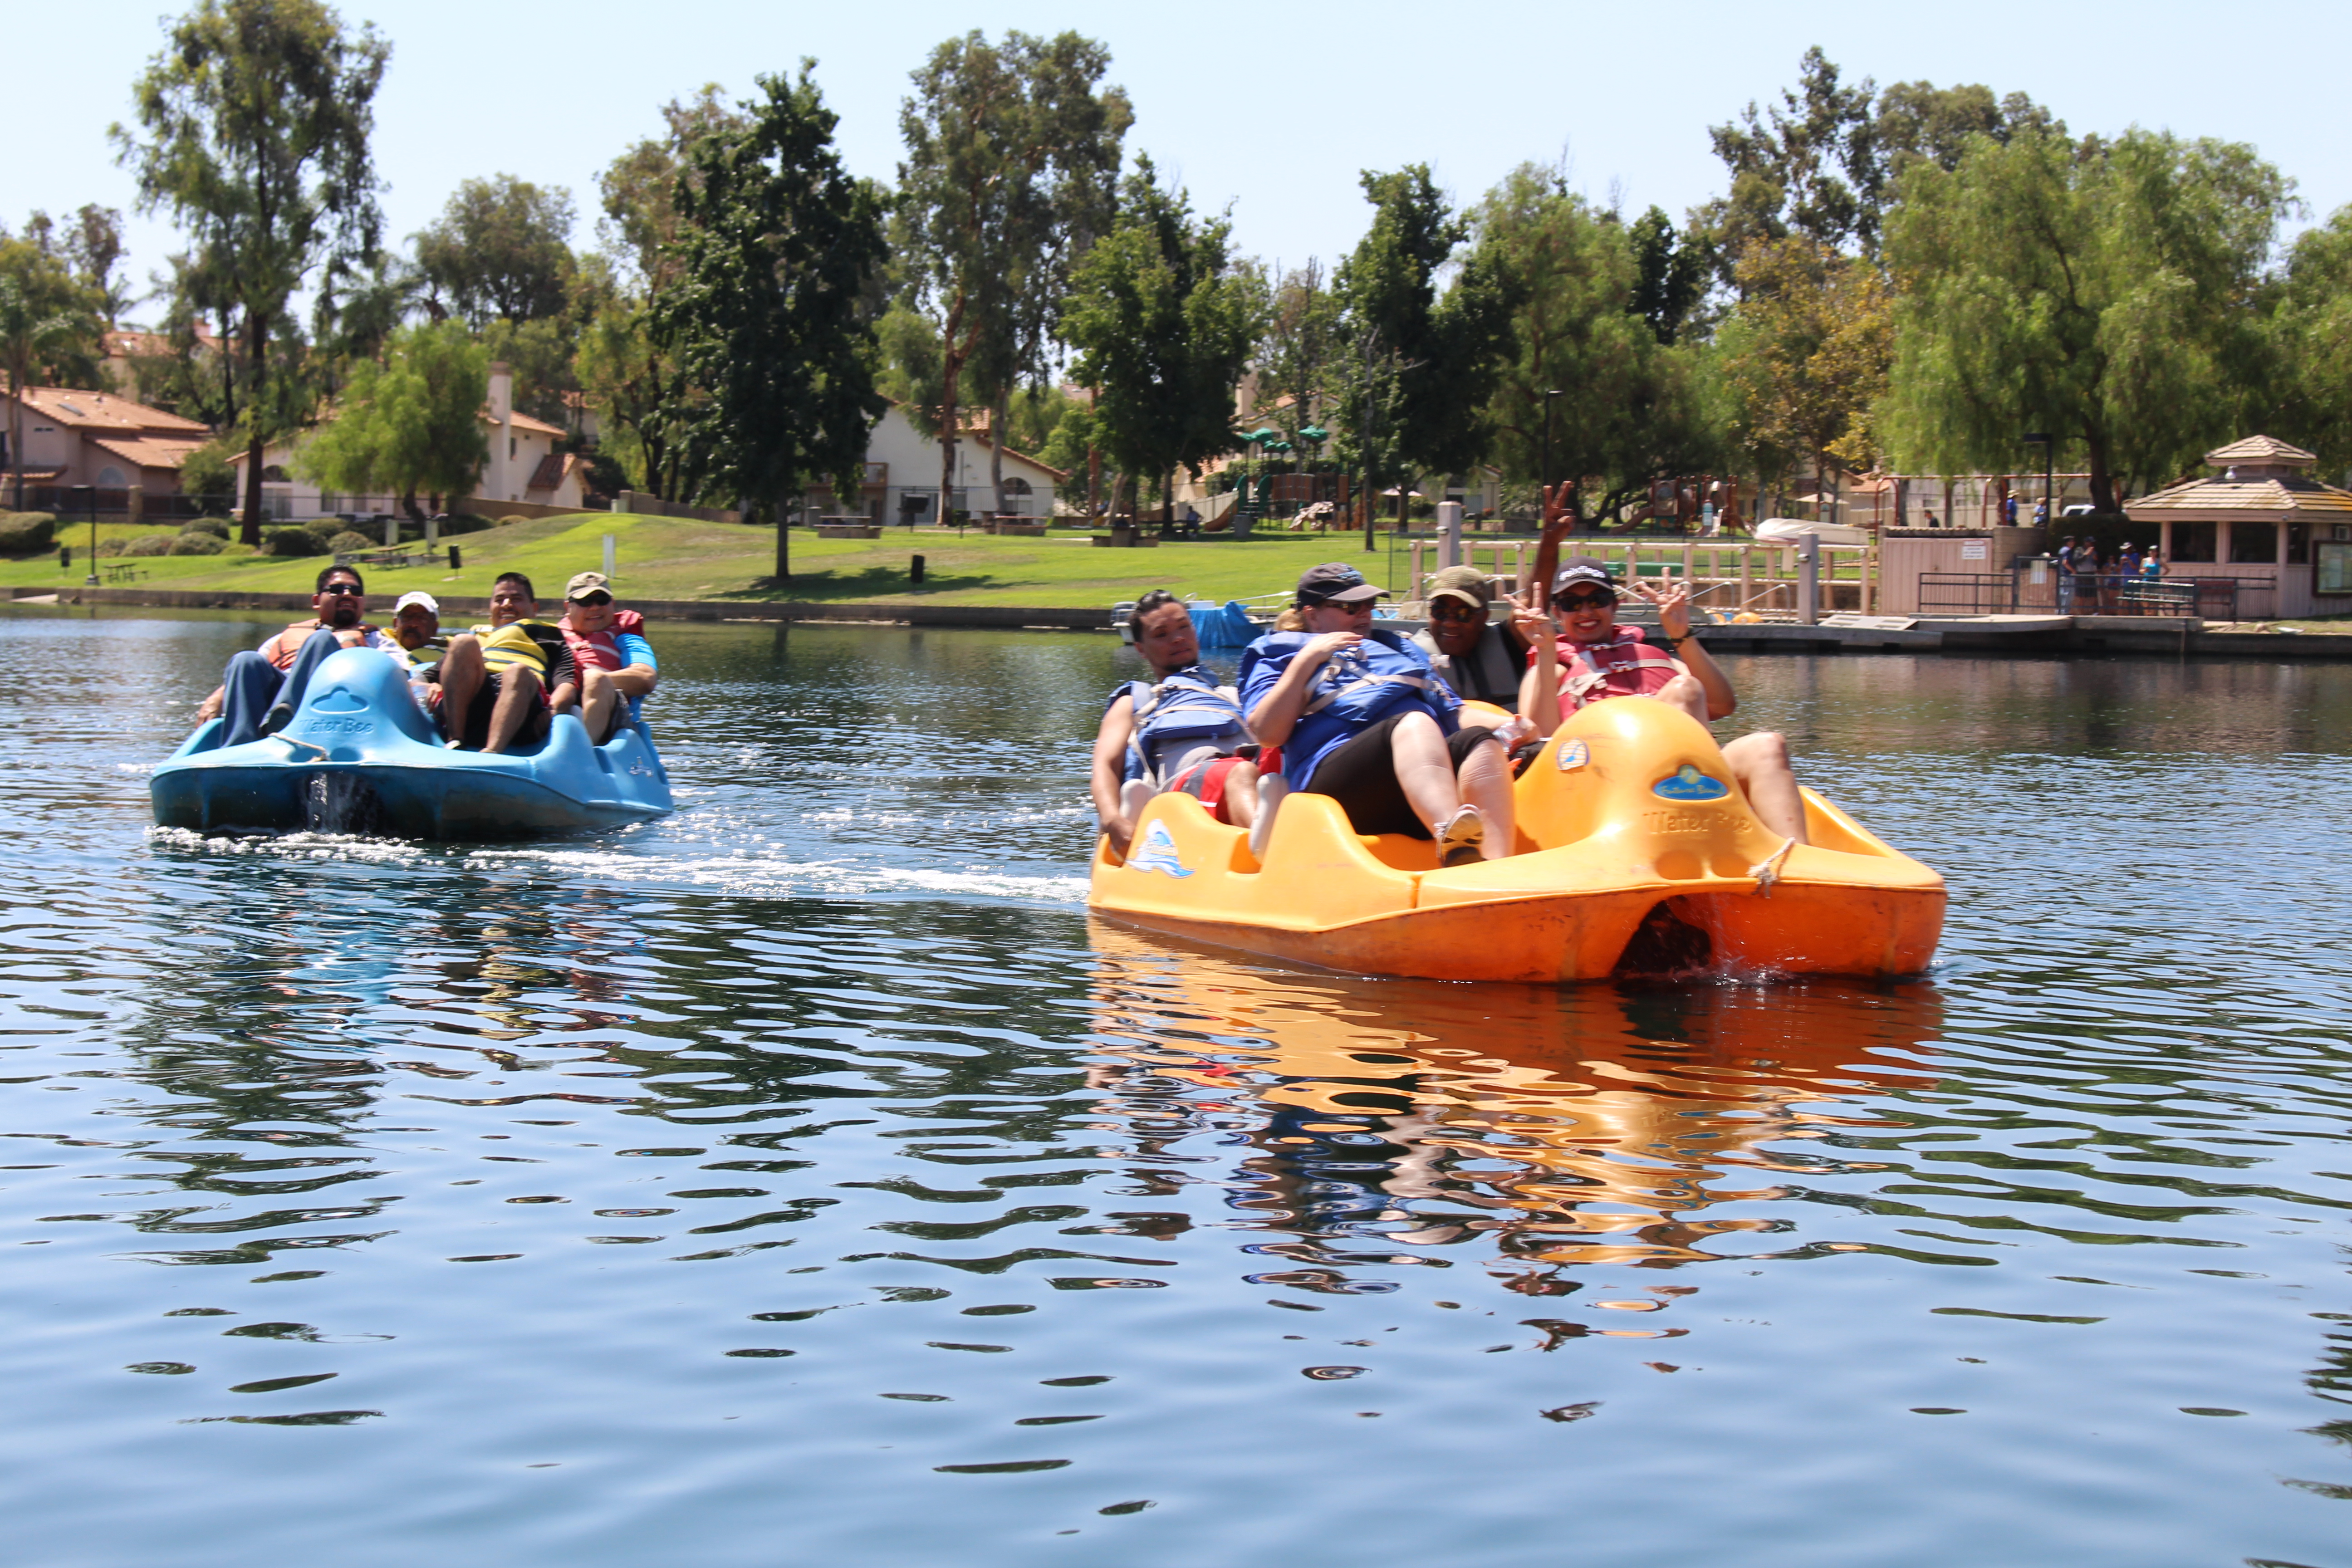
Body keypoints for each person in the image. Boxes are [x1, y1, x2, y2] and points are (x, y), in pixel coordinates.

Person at [1240, 562, 1514, 866]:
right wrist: (1307, 660)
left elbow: (1455, 714)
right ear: (1312, 614)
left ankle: (1495, 870)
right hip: (1335, 788)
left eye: (1368, 604)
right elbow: (1267, 733)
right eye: (1349, 606)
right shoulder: (1277, 655)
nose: (1364, 613)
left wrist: (1520, 727)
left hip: (1414, 780)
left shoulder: (1397, 650)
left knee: (1481, 743)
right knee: (1414, 723)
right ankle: (1453, 842)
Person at [1520, 557, 1809, 846]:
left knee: (1767, 745)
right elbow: (1540, 738)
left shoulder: (1656, 659)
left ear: (1615, 605)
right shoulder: (1553, 668)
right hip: (1600, 778)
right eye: (1572, 604)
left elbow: (1723, 705)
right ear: (1557, 612)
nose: (1586, 612)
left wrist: (1680, 634)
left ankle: (1798, 863)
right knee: (1684, 690)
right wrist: (1545, 652)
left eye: (1598, 600)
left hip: (1689, 774)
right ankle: (1689, 832)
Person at [1092, 590, 1262, 856]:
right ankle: (1276, 858)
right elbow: (1105, 765)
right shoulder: (1139, 701)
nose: (1179, 638)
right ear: (1140, 649)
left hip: (1255, 768)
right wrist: (1113, 820)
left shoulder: (1235, 695)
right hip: (1187, 790)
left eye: (1184, 627)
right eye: (1162, 635)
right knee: (1241, 773)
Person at [192, 565, 394, 745]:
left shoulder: (378, 640)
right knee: (246, 659)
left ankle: (283, 722)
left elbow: (402, 676)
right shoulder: (281, 639)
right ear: (317, 601)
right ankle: (238, 747)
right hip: (279, 694)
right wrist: (216, 699)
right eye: (337, 589)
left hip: (338, 704)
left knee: (321, 639)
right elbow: (245, 676)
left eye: (356, 591)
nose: (348, 594)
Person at [434, 572, 579, 754]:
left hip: (522, 708)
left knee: (517, 671)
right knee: (462, 641)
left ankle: (492, 752)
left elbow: (566, 685)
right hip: (474, 701)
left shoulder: (551, 638)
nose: (507, 605)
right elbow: (427, 677)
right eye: (500, 600)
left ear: (534, 608)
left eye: (516, 599)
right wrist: (430, 685)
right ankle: (455, 739)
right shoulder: (476, 639)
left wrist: (553, 710)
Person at [556, 572, 657, 742]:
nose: (595, 608)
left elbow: (646, 678)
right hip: (563, 714)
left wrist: (590, 680)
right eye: (585, 602)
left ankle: (583, 754)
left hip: (614, 728)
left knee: (596, 678)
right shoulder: (552, 639)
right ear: (568, 607)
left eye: (602, 601)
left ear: (613, 604)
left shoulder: (627, 639)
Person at [1412, 565, 1529, 709]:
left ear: (1484, 616)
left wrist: (1549, 545)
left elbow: (1535, 599)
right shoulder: (1410, 657)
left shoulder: (1508, 644)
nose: (1450, 623)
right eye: (1440, 611)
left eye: (1463, 614)